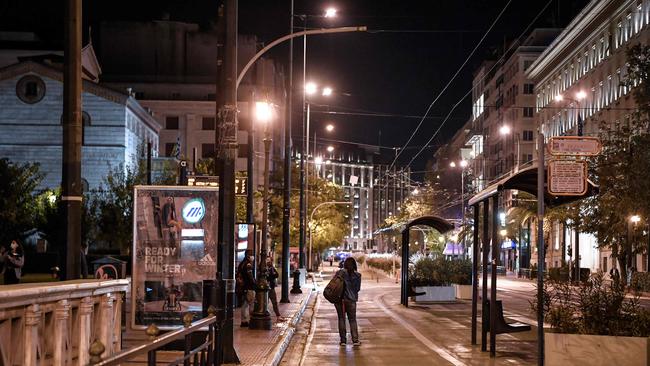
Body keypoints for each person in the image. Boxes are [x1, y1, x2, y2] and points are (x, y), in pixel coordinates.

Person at [335, 257, 362, 347]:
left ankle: (343, 341)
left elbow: (335, 285)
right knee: (352, 319)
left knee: (341, 318)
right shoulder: (358, 275)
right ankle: (355, 340)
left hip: (340, 299)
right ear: (354, 265)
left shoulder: (340, 273)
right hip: (351, 300)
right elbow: (357, 289)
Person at [236, 250, 256, 327]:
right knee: (251, 304)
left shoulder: (241, 264)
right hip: (249, 287)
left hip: (243, 287)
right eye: (251, 254)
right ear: (247, 255)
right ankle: (252, 320)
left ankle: (243, 321)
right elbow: (250, 277)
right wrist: (255, 283)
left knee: (244, 304)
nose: (252, 256)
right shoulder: (248, 265)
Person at [266, 256, 282, 320]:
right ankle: (267, 314)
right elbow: (269, 276)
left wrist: (272, 274)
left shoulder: (271, 268)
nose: (269, 262)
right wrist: (272, 275)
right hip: (266, 288)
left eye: (270, 261)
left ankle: (278, 315)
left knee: (274, 302)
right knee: (265, 302)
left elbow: (276, 275)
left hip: (271, 287)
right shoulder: (264, 268)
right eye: (268, 261)